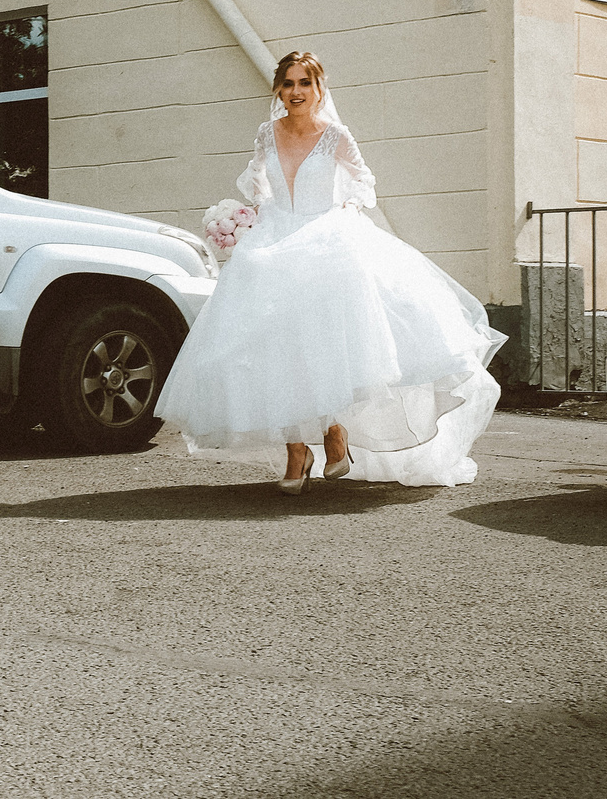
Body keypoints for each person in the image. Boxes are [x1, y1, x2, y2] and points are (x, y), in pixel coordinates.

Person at [154, 51, 507, 492]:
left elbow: (363, 181)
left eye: (305, 83)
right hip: (277, 237)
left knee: (323, 342)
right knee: (277, 346)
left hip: (325, 237)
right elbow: (258, 182)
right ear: (278, 90)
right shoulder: (267, 133)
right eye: (288, 83)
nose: (296, 92)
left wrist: (345, 208)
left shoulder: (335, 135)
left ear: (319, 89)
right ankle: (297, 451)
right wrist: (251, 216)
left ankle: (332, 433)